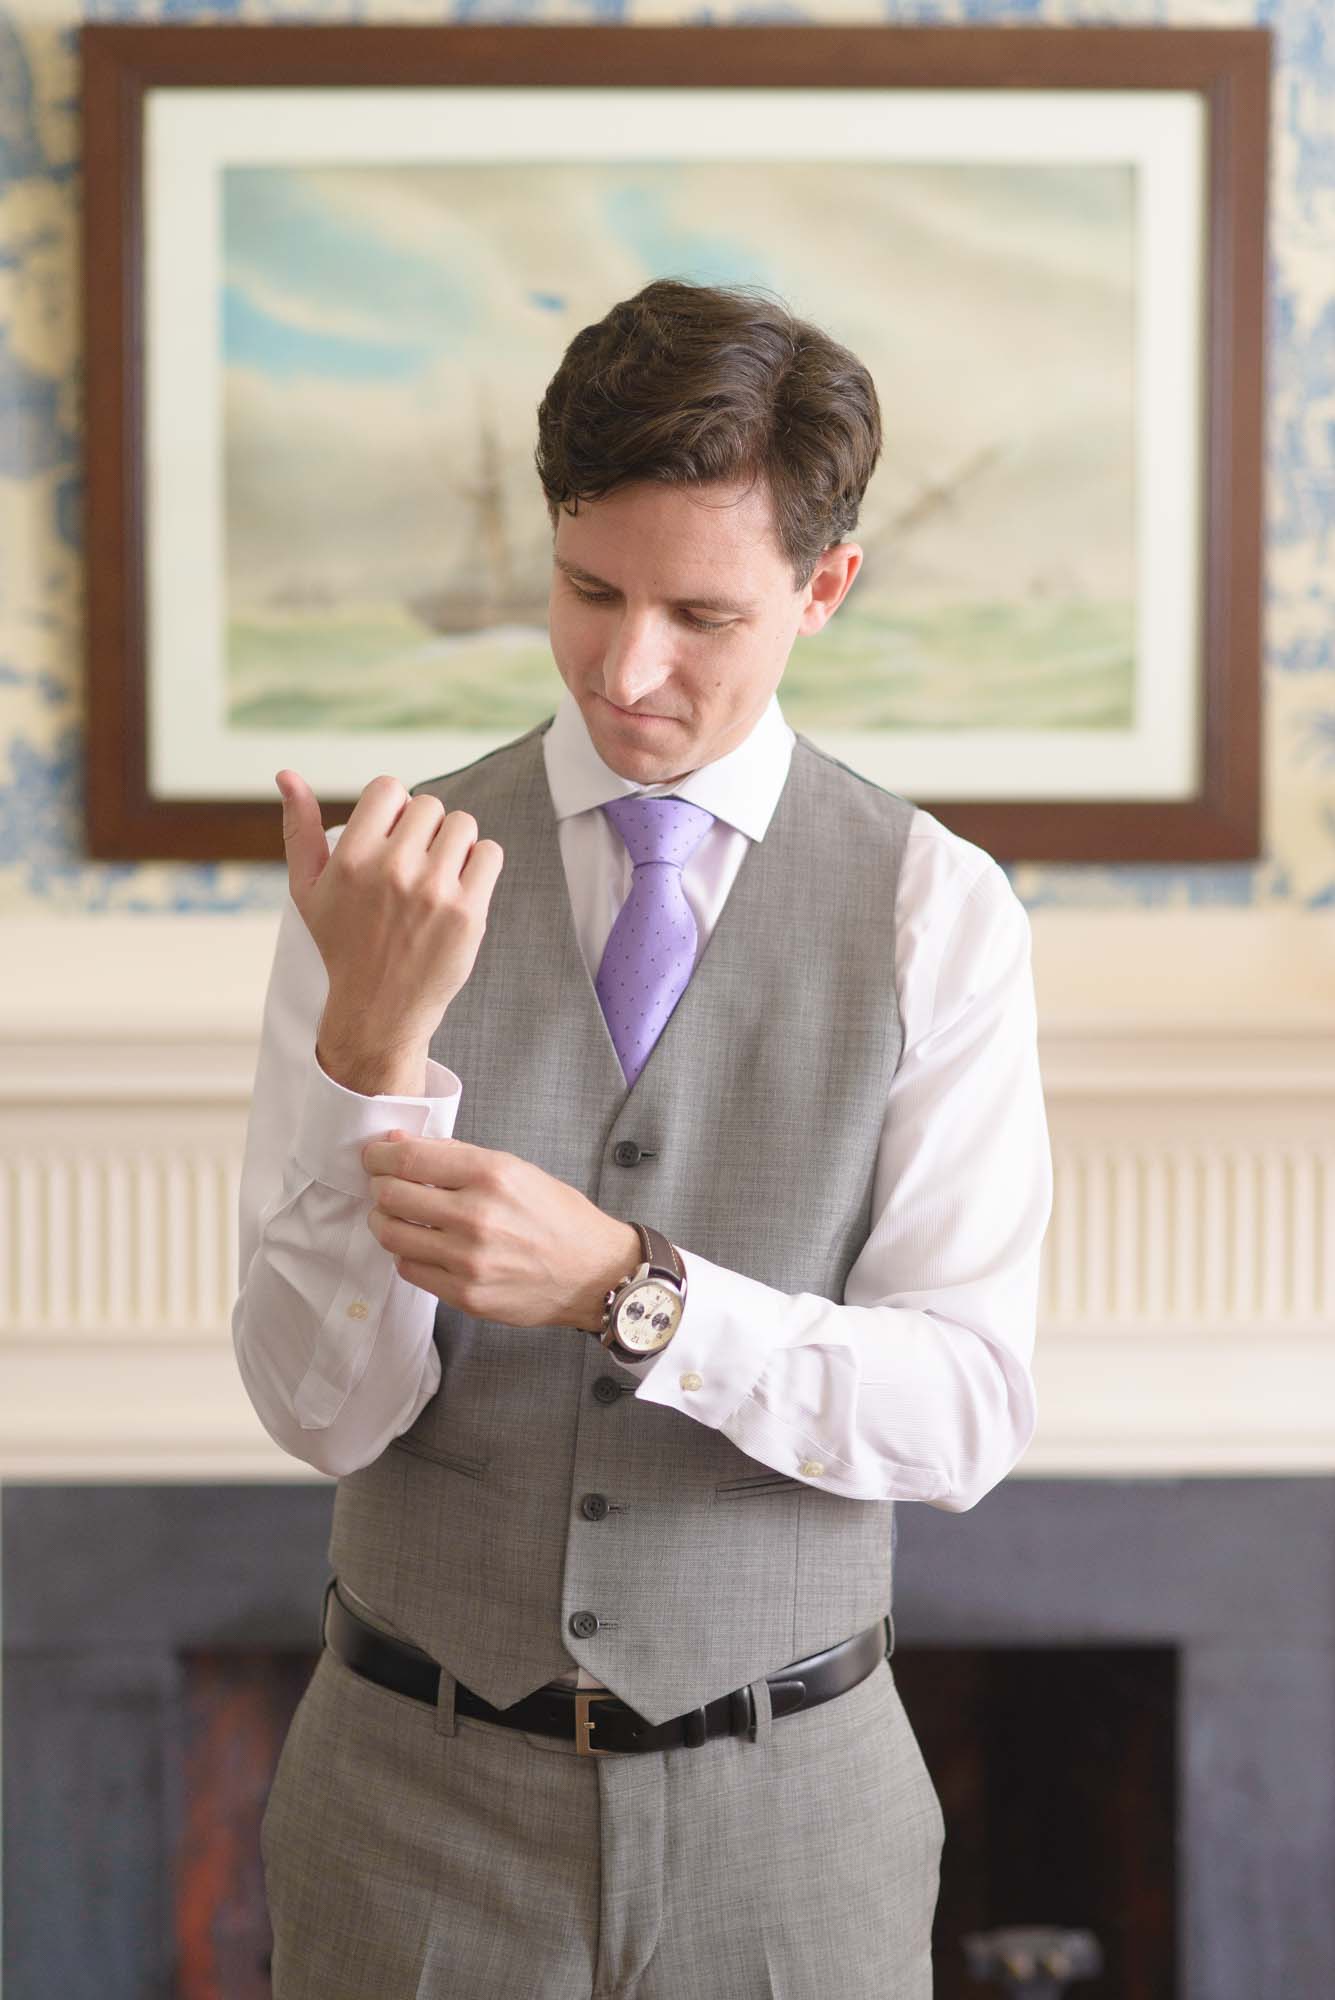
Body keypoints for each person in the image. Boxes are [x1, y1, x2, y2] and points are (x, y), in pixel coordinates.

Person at [233, 276, 1053, 2000]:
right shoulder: (382, 883)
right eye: (589, 590)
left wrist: (633, 1286)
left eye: (702, 612)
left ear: (824, 588)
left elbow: (963, 1409)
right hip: (407, 1817)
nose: (630, 669)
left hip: (795, 1835)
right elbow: (321, 1412)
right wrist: (372, 1049)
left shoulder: (936, 911)